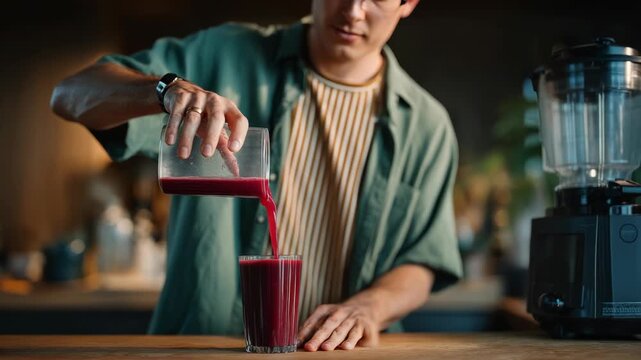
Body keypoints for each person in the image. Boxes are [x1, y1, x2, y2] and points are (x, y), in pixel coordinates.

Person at [50, 0, 462, 352]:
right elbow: (70, 95)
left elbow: (423, 260)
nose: (354, 12)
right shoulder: (224, 55)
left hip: (339, 354)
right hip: (206, 350)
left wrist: (369, 307)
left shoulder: (427, 127)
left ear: (408, 3)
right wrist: (163, 91)